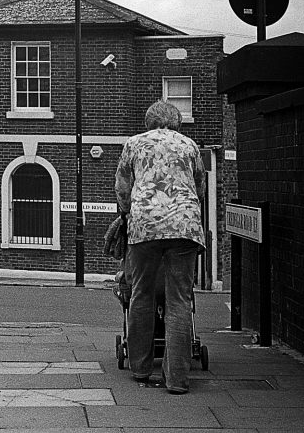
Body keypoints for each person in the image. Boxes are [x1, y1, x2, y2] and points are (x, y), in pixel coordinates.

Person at [115, 100, 206, 394]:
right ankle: (177, 379)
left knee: (141, 292)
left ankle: (141, 369)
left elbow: (122, 188)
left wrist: (128, 213)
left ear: (148, 122)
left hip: (145, 226)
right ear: (176, 122)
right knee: (179, 300)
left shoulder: (134, 144)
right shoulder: (190, 146)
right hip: (185, 226)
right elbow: (200, 187)